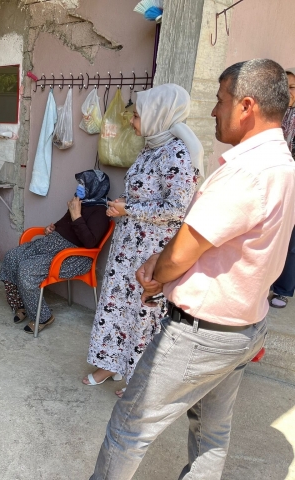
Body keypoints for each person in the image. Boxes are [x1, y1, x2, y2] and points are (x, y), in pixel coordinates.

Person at [90, 59, 295, 480]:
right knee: (211, 435)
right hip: (242, 324)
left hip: (200, 332)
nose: (213, 111)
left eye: (221, 101)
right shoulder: (282, 165)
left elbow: (183, 249)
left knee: (130, 427)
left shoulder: (246, 173)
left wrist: (154, 274)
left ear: (247, 107)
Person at [84, 84, 202, 393]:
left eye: (136, 116)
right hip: (128, 246)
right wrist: (121, 208)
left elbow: (177, 208)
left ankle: (138, 378)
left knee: (143, 313)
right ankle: (110, 366)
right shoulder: (152, 147)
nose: (133, 123)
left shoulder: (176, 153)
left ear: (158, 116)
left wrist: (130, 209)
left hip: (152, 250)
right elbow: (145, 194)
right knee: (117, 305)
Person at [0, 170, 111, 334]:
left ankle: (43, 317)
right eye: (79, 183)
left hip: (74, 256)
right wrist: (51, 228)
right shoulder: (80, 201)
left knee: (27, 269)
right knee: (12, 257)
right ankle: (20, 304)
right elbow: (63, 224)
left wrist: (76, 216)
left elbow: (90, 242)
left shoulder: (100, 212)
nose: (79, 187)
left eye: (83, 184)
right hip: (52, 244)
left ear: (96, 188)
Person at [269, 67, 295, 308]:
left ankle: (282, 290)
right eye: (284, 87)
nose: (288, 92)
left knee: (291, 239)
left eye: (293, 87)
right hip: (274, 180)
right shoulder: (277, 114)